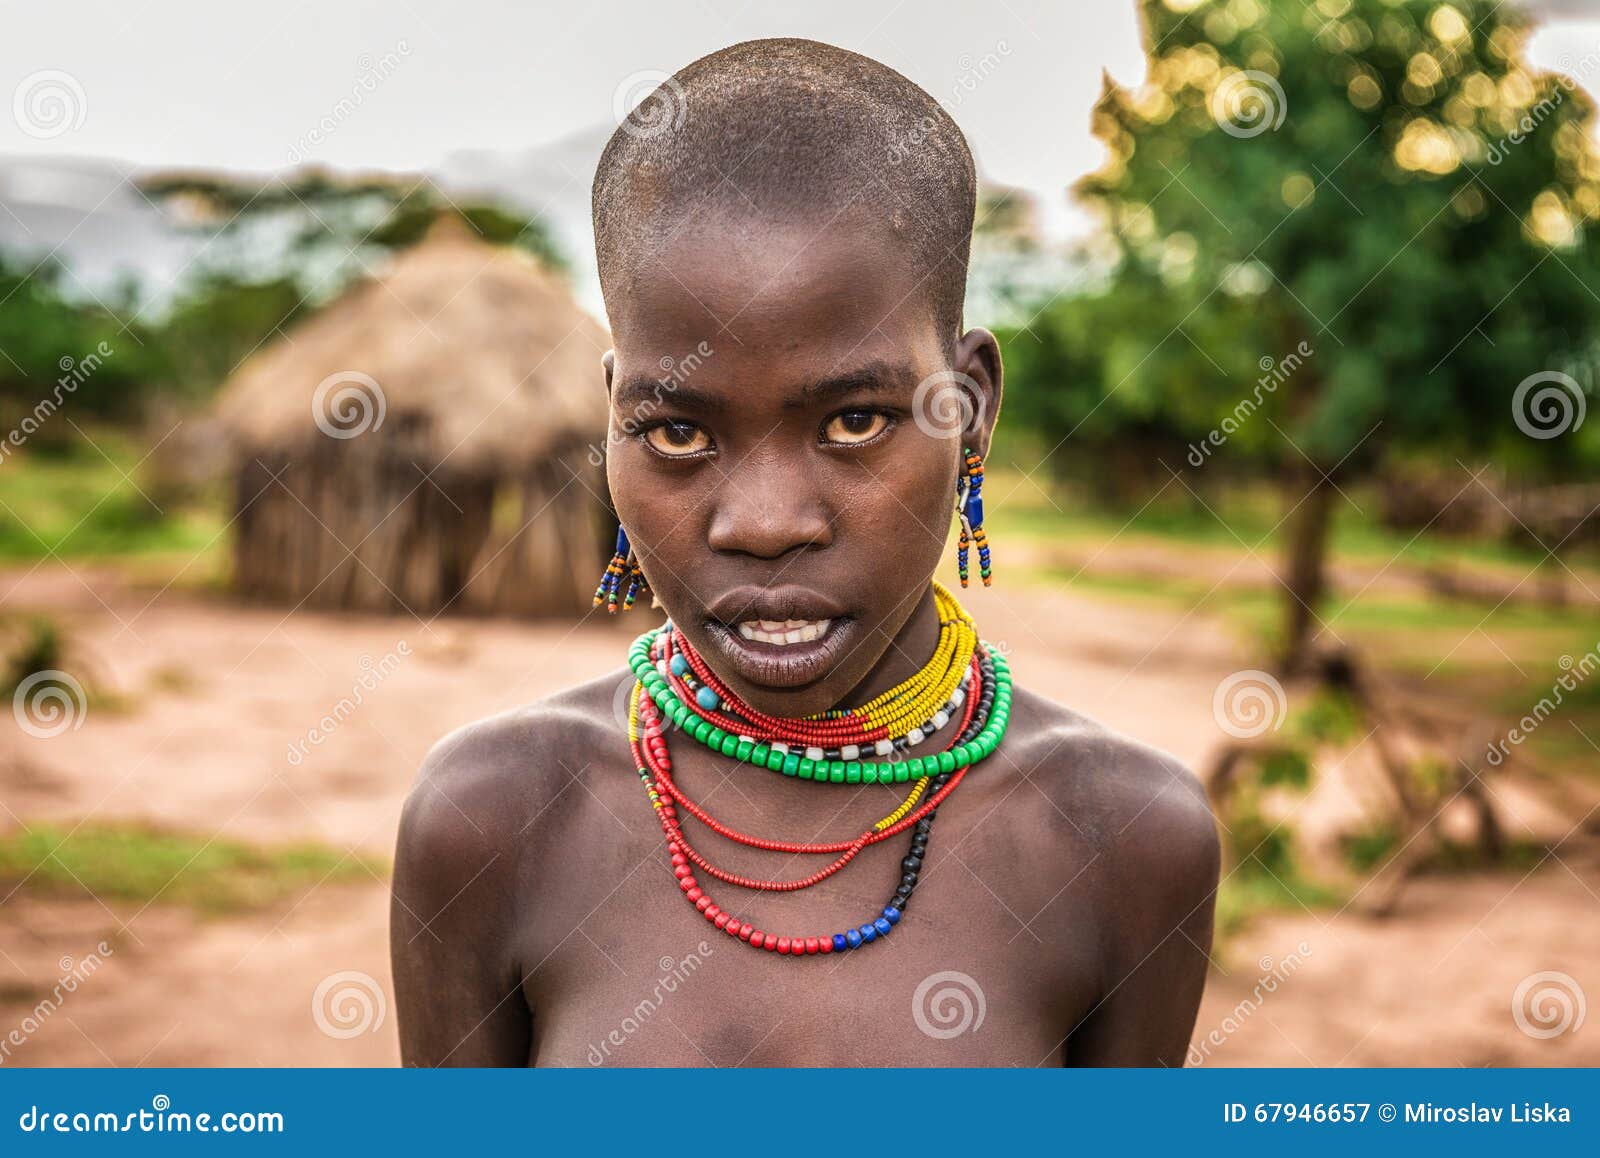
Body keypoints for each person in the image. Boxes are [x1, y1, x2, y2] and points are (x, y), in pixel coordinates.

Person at [391, 37, 1219, 1067]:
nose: (765, 522)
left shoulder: (1122, 840)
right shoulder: (494, 822)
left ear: (970, 406)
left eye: (856, 421)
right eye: (679, 433)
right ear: (612, 417)